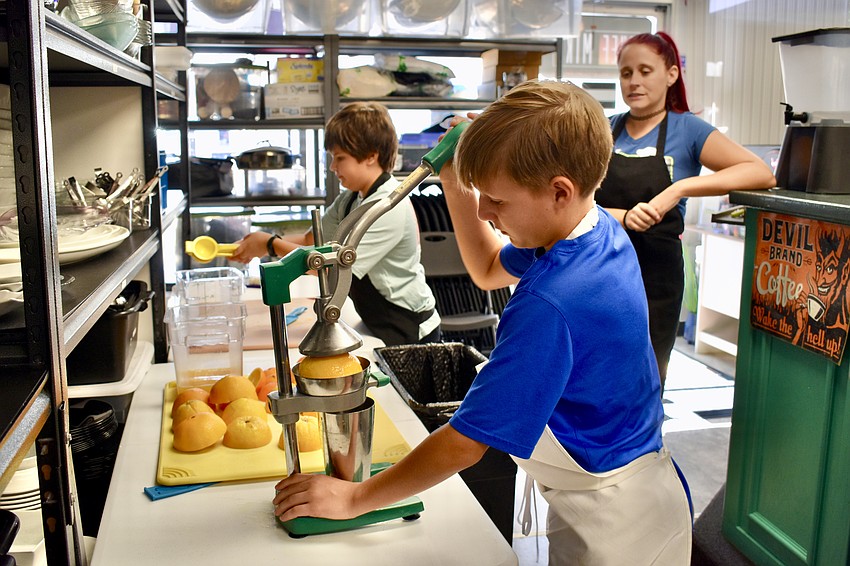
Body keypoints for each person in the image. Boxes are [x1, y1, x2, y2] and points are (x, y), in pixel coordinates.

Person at [273, 80, 692, 564]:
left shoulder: (552, 301)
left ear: (559, 191)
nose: (484, 212)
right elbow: (488, 269)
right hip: (620, 491)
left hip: (616, 527)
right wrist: (456, 182)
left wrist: (352, 499)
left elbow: (464, 443)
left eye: (496, 198)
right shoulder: (590, 227)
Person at [595, 32, 776, 389]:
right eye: (626, 72)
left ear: (672, 74)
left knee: (647, 376)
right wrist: (625, 216)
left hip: (657, 276)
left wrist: (677, 188)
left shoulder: (687, 129)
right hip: (600, 266)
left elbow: (760, 173)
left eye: (645, 71)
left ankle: (644, 444)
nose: (634, 81)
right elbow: (576, 198)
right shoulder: (603, 128)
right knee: (595, 373)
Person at [231, 101, 440, 347]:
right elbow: (312, 242)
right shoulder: (353, 197)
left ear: (371, 155)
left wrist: (270, 244)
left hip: (408, 326)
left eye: (340, 158)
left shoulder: (387, 206)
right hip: (378, 319)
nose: (332, 168)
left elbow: (335, 272)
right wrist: (262, 242)